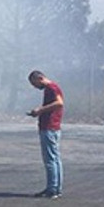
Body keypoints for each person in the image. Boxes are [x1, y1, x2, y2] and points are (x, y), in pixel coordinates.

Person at [27, 70, 65, 199]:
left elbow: (59, 103)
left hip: (50, 127)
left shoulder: (51, 88)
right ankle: (55, 188)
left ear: (40, 78)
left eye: (34, 83)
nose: (35, 87)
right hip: (52, 126)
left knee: (50, 159)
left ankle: (53, 189)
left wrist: (40, 110)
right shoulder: (51, 88)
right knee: (55, 158)